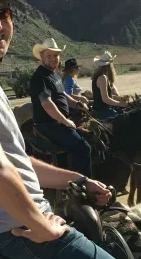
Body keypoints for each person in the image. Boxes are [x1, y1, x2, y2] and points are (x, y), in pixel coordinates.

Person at [0, 0, 114, 258]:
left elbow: (15, 161)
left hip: (9, 223)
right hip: (16, 230)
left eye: (3, 13)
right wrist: (41, 226)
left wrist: (78, 179)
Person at [30, 38, 92, 177]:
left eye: (56, 55)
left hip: (57, 122)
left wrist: (77, 103)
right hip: (49, 124)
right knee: (83, 148)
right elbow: (47, 104)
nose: (53, 59)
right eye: (49, 56)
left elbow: (62, 95)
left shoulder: (54, 74)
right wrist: (65, 121)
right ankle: (84, 186)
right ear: (42, 57)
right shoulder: (40, 77)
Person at [91, 51, 129, 120]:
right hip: (103, 111)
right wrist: (121, 104)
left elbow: (104, 96)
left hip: (100, 109)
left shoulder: (99, 76)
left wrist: (119, 98)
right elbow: (105, 99)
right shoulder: (102, 78)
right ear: (109, 65)